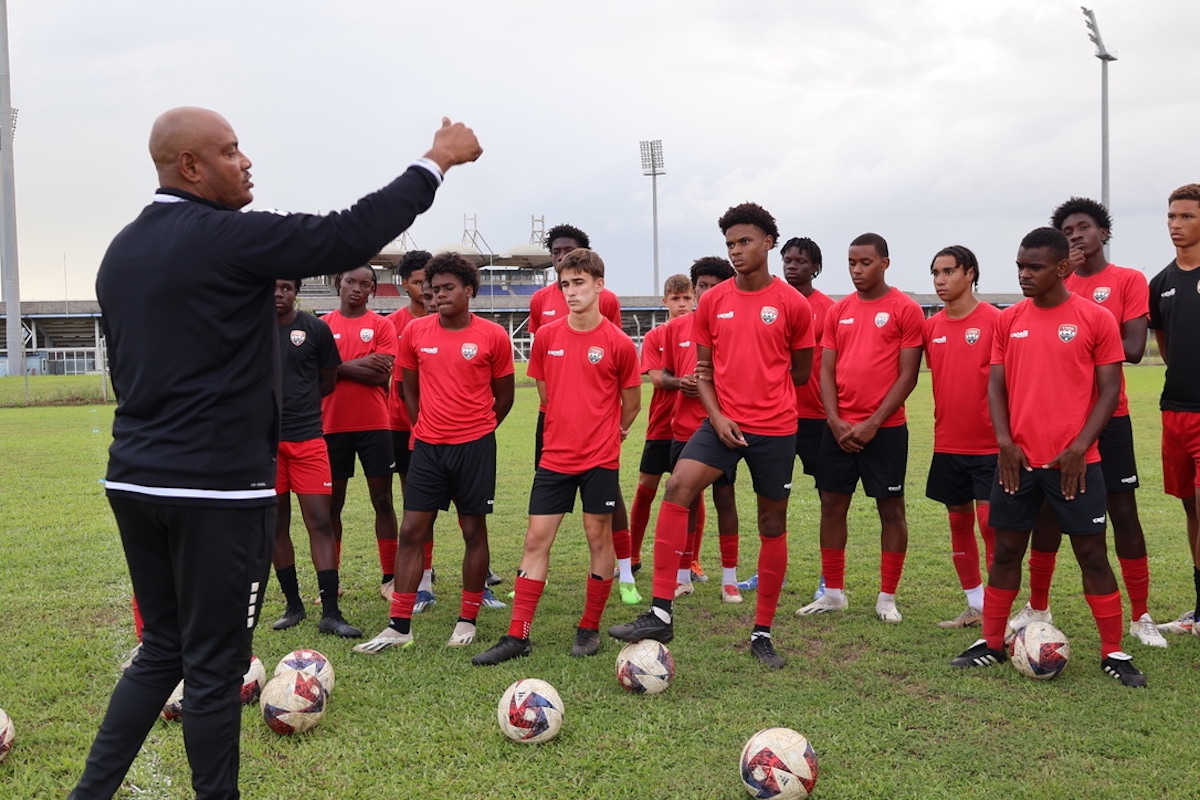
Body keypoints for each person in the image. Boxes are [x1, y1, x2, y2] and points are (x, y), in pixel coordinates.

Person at [72, 107, 480, 800]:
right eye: (231, 151)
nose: (247, 161)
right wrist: (434, 161)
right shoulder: (224, 237)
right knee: (213, 668)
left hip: (136, 478)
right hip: (216, 491)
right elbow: (346, 232)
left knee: (161, 652)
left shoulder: (121, 250)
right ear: (191, 167)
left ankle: (89, 794)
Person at [609, 203, 813, 669]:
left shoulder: (792, 305)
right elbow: (701, 371)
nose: (737, 251)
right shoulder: (715, 301)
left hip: (776, 429)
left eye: (745, 242)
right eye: (730, 244)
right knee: (678, 487)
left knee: (771, 524)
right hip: (721, 422)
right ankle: (661, 610)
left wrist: (762, 397)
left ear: (768, 243)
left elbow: (800, 372)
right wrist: (718, 417)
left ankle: (762, 633)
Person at [951, 227, 1147, 688]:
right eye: (1020, 265)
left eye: (1034, 266)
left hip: (1076, 463)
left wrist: (1081, 446)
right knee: (1007, 552)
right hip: (1018, 461)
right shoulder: (1008, 319)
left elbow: (1110, 389)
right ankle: (992, 643)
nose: (1023, 274)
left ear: (1063, 268)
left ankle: (1113, 651)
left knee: (1092, 555)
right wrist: (1004, 442)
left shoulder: (1095, 318)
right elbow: (995, 384)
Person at [1010, 198, 1167, 647]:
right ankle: (1037, 605)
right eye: (1068, 229)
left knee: (1121, 512)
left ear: (1104, 233)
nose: (1078, 234)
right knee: (1045, 513)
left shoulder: (1127, 280)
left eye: (1085, 227)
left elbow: (1133, 348)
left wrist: (1082, 329)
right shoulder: (1053, 280)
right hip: (1052, 425)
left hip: (1107, 421)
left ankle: (1141, 616)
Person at [473, 249, 640, 665]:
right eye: (565, 283)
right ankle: (518, 635)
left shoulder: (618, 343)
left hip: (600, 458)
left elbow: (632, 403)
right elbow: (546, 396)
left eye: (579, 282)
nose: (571, 291)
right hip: (554, 458)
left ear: (599, 285)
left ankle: (588, 627)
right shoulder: (547, 337)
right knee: (535, 539)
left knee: (597, 537)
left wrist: (611, 431)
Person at [355, 253, 514, 653]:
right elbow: (408, 388)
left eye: (447, 288)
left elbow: (505, 397)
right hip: (426, 446)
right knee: (412, 530)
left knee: (473, 530)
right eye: (434, 289)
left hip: (475, 447)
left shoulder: (493, 335)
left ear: (469, 291)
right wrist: (424, 425)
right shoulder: (415, 333)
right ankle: (399, 625)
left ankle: (467, 618)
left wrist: (476, 429)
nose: (438, 295)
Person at [798, 233, 923, 622]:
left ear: (885, 262)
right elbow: (826, 369)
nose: (856, 270)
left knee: (891, 509)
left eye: (865, 262)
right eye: (851, 262)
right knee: (832, 506)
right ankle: (833, 592)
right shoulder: (839, 310)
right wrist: (834, 421)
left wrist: (872, 423)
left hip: (884, 429)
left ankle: (887, 597)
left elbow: (908, 376)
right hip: (839, 429)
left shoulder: (905, 308)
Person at [739, 236, 834, 598]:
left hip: (814, 416)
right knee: (771, 499)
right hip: (773, 416)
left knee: (829, 496)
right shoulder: (768, 301)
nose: (792, 266)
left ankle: (828, 577)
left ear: (816, 268)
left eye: (800, 261)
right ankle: (769, 572)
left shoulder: (827, 308)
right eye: (787, 260)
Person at [270, 277, 362, 638]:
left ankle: (331, 613)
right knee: (276, 524)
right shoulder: (248, 330)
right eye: (272, 286)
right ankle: (293, 605)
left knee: (320, 522)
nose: (279, 293)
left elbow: (327, 381)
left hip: (308, 439)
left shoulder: (315, 330)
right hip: (265, 445)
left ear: (297, 291)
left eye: (286, 286)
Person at [921, 246, 1000, 628]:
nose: (940, 280)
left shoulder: (996, 321)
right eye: (935, 272)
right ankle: (976, 604)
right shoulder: (931, 327)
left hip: (989, 446)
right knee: (958, 524)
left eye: (948, 271)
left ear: (970, 273)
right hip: (947, 443)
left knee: (991, 527)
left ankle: (1002, 606)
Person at [658, 256, 742, 603]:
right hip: (683, 429)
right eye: (700, 286)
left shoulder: (732, 324)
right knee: (684, 503)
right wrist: (681, 383)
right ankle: (681, 576)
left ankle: (729, 578)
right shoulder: (675, 328)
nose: (705, 293)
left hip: (720, 426)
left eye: (713, 286)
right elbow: (662, 374)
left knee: (725, 500)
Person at [321, 265, 401, 601]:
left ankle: (390, 577)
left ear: (372, 289)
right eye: (351, 281)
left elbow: (380, 377)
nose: (358, 288)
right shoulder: (321, 326)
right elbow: (317, 376)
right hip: (330, 425)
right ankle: (331, 581)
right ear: (338, 281)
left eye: (365, 283)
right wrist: (358, 365)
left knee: (382, 500)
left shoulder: (382, 325)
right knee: (331, 506)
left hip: (374, 424)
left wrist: (334, 366)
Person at [1149, 183, 1200, 639]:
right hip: (1175, 409)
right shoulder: (1160, 283)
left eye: (1185, 216)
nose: (1175, 225)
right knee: (1191, 508)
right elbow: (1166, 347)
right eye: (1171, 216)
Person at [626, 273, 695, 604]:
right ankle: (633, 555)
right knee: (646, 488)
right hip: (660, 426)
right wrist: (682, 381)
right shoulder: (656, 336)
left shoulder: (702, 332)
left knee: (690, 494)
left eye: (687, 298)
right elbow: (656, 379)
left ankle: (690, 560)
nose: (682, 304)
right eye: (676, 299)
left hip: (693, 426)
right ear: (665, 302)